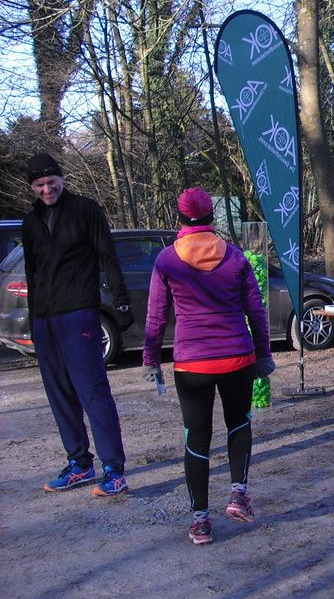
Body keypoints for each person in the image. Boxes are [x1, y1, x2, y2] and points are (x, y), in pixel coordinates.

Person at [142, 187, 275, 546]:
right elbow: (256, 310)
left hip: (192, 364)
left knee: (197, 437)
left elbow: (156, 316)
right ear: (212, 217)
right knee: (239, 423)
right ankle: (238, 494)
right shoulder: (235, 257)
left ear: (180, 219)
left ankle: (200, 521)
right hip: (237, 357)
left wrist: (151, 360)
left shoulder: (167, 260)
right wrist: (263, 353)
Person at [22, 152, 134, 497]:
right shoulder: (30, 222)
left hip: (79, 314)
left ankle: (114, 470)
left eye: (50, 182)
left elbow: (108, 256)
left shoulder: (86, 210)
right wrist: (34, 319)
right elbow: (32, 273)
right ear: (32, 187)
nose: (46, 189)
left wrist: (121, 301)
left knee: (93, 391)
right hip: (45, 320)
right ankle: (79, 464)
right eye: (39, 185)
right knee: (59, 394)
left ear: (61, 178)